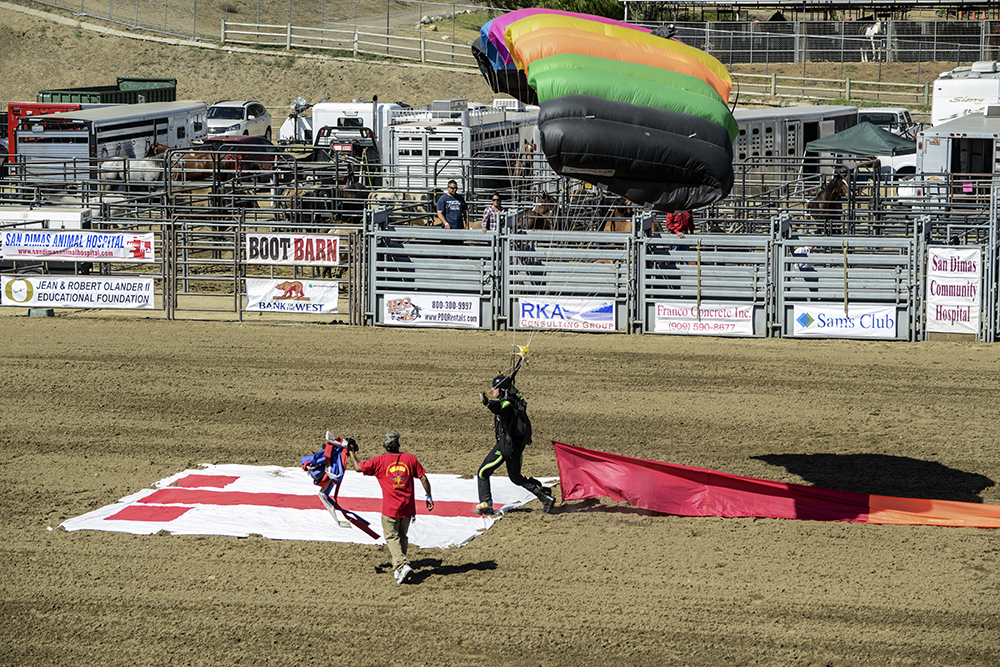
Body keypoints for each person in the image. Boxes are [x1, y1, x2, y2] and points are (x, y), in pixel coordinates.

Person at [347, 430, 433, 584]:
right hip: (407, 508)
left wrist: (351, 453)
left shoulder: (380, 461)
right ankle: (398, 568)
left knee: (392, 537)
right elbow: (423, 478)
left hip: (390, 509)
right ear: (398, 444)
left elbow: (358, 467)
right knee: (402, 537)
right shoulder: (410, 458)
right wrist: (429, 496)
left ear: (383, 446)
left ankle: (402, 565)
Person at [475, 372, 555, 516]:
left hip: (506, 446)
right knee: (516, 478)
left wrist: (487, 403)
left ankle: (486, 505)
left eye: (495, 387)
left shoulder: (508, 402)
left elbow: (500, 408)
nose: (492, 389)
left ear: (502, 389)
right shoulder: (513, 399)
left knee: (483, 472)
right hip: (516, 447)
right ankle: (545, 497)